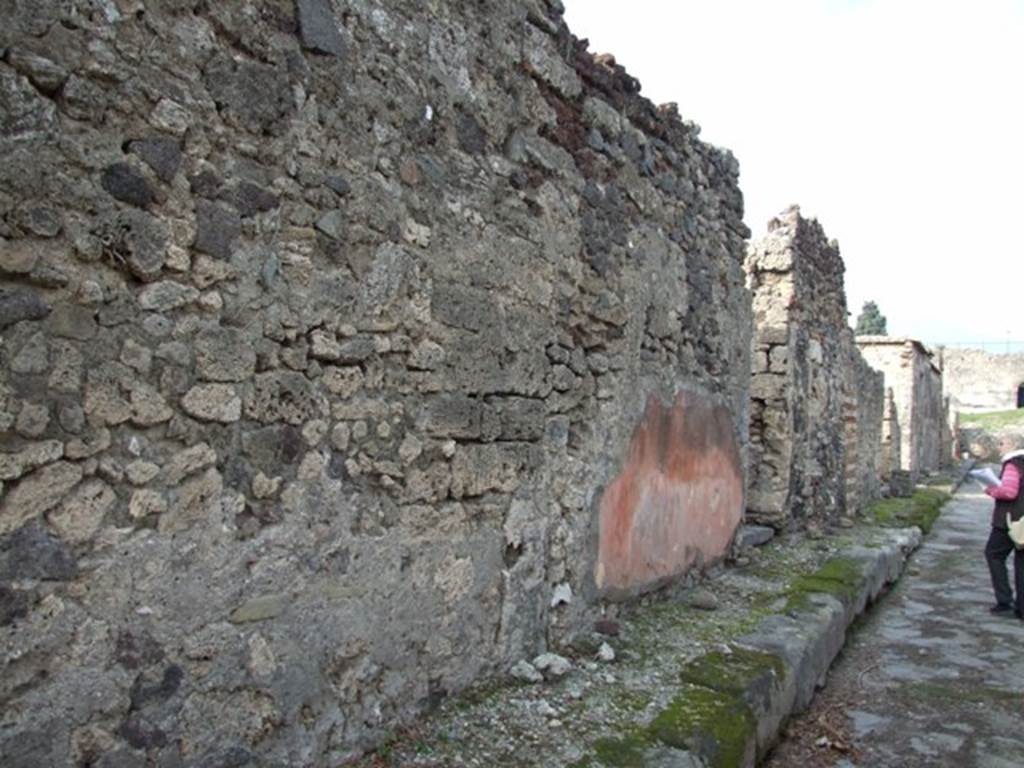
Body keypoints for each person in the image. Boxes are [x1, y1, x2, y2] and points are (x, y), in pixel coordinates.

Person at [983, 440, 1024, 618]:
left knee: (994, 554)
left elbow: (1009, 492)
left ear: (1011, 446)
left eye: (1002, 443)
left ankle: (1004, 600)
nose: (998, 447)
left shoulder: (1013, 465)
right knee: (1021, 564)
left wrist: (990, 490)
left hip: (1009, 521)